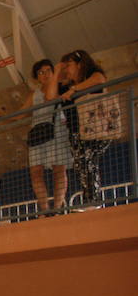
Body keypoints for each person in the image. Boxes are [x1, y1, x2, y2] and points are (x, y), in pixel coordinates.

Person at [59, 49, 111, 203]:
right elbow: (53, 93)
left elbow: (100, 79)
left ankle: (92, 200)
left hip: (96, 128)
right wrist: (58, 70)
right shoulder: (65, 86)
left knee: (88, 160)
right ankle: (90, 198)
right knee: (82, 165)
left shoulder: (92, 75)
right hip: (76, 132)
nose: (66, 70)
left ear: (80, 64)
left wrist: (75, 89)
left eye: (68, 65)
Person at [22, 59, 71, 211]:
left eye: (48, 71)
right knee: (36, 171)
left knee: (59, 169)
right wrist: (3, 117)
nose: (44, 75)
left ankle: (57, 207)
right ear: (37, 77)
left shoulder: (62, 87)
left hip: (57, 130)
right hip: (38, 134)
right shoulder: (34, 94)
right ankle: (44, 208)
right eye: (40, 72)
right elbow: (21, 112)